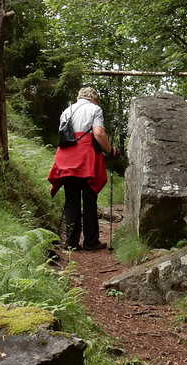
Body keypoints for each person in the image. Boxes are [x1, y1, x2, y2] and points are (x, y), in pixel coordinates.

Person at [48, 87, 116, 251]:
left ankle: (71, 242)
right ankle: (90, 241)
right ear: (94, 98)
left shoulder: (66, 110)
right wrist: (110, 150)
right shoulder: (95, 109)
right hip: (86, 158)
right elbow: (98, 134)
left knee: (71, 200)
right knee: (89, 200)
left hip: (66, 158)